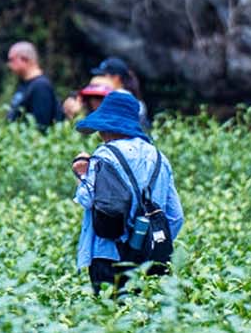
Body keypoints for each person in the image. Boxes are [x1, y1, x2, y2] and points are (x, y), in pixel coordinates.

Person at [70, 91, 184, 295]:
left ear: (107, 128)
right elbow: (176, 217)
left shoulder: (105, 155)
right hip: (151, 259)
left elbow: (86, 198)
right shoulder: (159, 158)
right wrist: (146, 243)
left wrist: (82, 172)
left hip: (108, 256)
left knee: (110, 312)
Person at [6, 41, 62, 129]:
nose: (9, 65)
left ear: (24, 59)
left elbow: (41, 126)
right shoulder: (24, 84)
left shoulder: (41, 86)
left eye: (12, 60)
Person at [90, 56, 149, 128]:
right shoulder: (121, 95)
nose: (99, 79)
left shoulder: (122, 97)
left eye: (103, 76)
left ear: (116, 78)